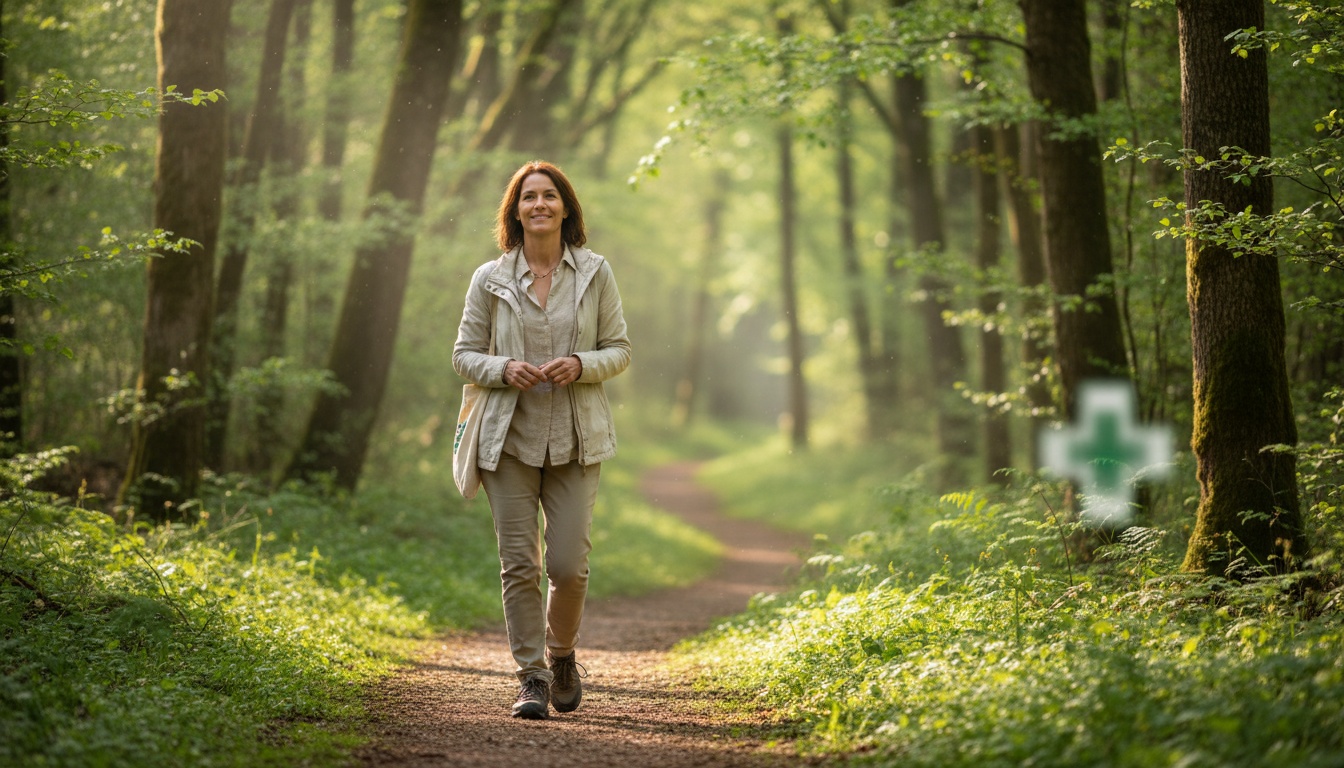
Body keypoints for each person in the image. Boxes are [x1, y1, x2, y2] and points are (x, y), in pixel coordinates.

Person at [452, 161, 631, 719]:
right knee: (518, 565)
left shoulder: (596, 273)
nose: (539, 205)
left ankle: (561, 655)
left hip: (577, 439)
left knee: (569, 566)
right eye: (528, 197)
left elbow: (620, 349)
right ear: (515, 210)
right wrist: (503, 368)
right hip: (506, 441)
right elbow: (462, 355)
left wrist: (581, 363)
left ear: (566, 208)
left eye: (549, 196)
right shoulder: (490, 278)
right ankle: (530, 677)